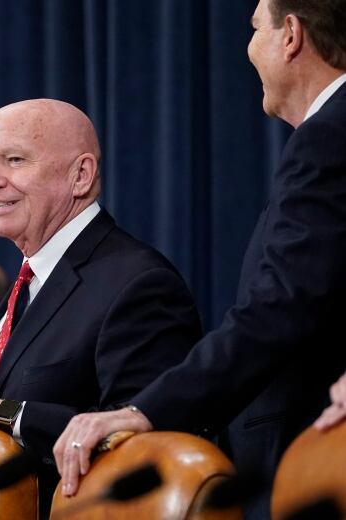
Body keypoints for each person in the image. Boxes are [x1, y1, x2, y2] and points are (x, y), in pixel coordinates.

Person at [54, 1, 346, 517]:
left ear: (292, 36)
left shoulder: (328, 137)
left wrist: (146, 410)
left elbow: (279, 308)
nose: (248, 48)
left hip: (315, 457)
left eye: (255, 29)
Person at [0, 99, 202, 514]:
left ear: (81, 175)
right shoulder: (30, 280)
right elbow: (0, 400)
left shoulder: (140, 284)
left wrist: (6, 413)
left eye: (15, 160)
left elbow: (144, 439)